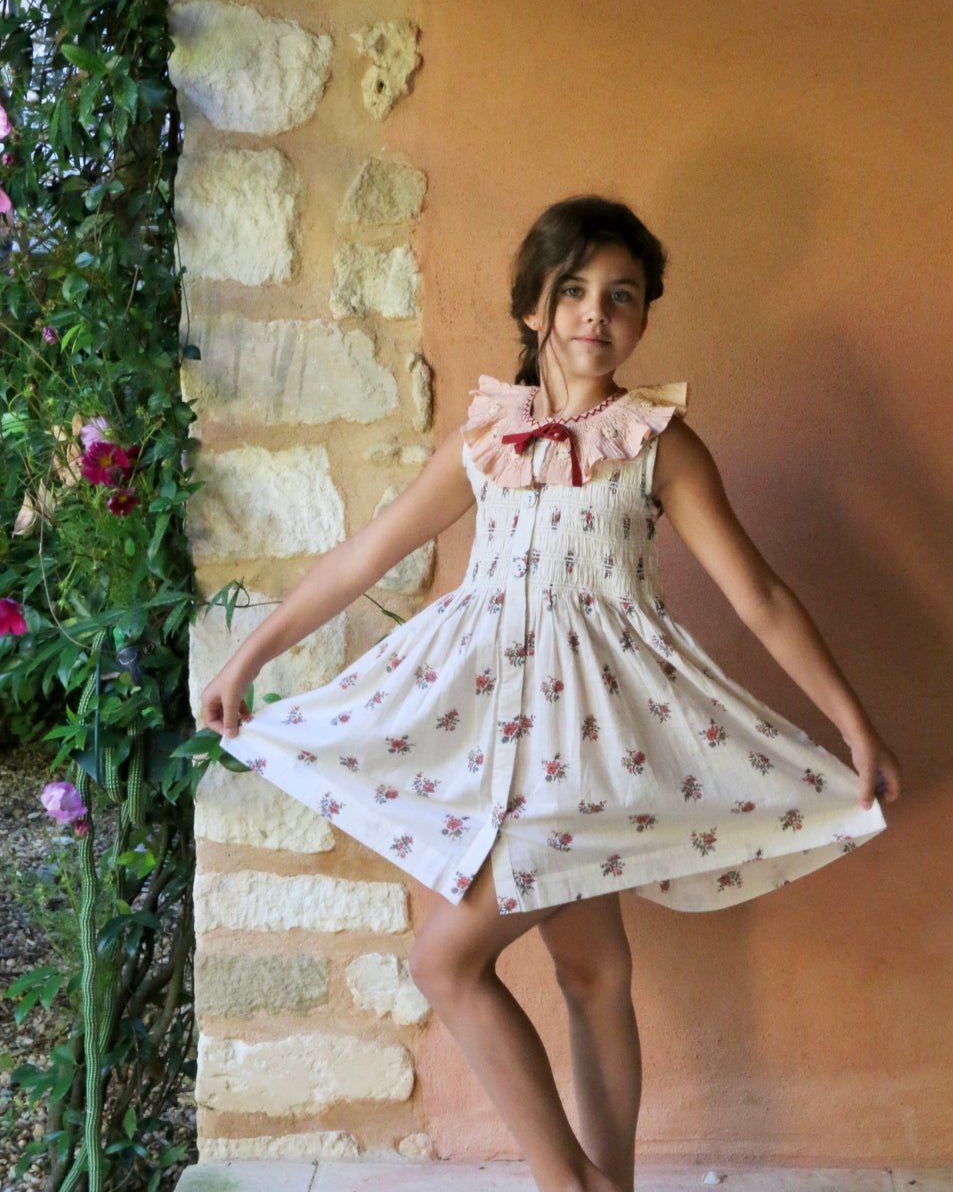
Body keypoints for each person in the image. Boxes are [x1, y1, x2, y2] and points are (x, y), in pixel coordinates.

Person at [201, 195, 901, 1192]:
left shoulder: (659, 445)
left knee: (445, 963)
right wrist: (246, 660)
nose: (595, 314)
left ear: (644, 318)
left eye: (622, 296)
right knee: (593, 972)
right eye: (573, 291)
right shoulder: (488, 441)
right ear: (533, 306)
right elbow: (366, 554)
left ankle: (570, 1185)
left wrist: (853, 726)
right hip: (499, 742)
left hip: (593, 751)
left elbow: (761, 595)